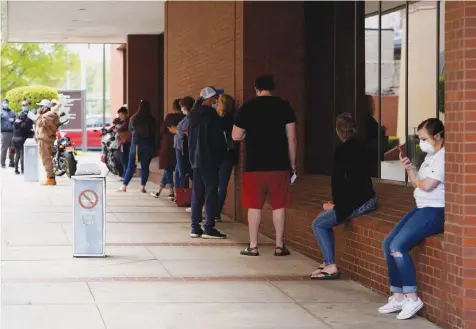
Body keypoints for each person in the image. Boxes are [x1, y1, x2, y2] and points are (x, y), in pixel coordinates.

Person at [378, 118, 445, 320]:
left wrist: (417, 180)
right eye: (419, 139)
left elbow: (427, 185)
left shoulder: (444, 157)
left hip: (434, 211)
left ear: (438, 136)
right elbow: (418, 181)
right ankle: (398, 295)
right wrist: (409, 168)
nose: (421, 143)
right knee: (388, 243)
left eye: (424, 138)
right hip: (421, 208)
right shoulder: (430, 157)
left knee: (398, 246)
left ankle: (412, 297)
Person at [232, 75, 296, 256]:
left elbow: (235, 136)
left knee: (254, 206)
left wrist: (249, 135)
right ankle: (279, 246)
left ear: (256, 88)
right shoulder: (284, 106)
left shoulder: (248, 107)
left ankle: (253, 246)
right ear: (273, 88)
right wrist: (292, 163)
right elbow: (292, 137)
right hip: (279, 164)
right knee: (279, 205)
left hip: (254, 166)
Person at [310, 113, 377, 280]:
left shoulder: (341, 151)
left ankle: (331, 265)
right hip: (367, 198)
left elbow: (340, 183)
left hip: (358, 202)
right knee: (322, 219)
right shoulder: (362, 147)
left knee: (318, 224)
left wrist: (336, 206)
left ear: (338, 131)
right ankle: (327, 261)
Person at [188, 86, 227, 239]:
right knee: (211, 193)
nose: (218, 101)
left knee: (197, 193)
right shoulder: (211, 115)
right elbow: (218, 137)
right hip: (209, 159)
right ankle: (209, 227)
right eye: (216, 98)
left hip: (195, 160)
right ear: (210, 99)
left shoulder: (193, 114)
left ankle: (195, 227)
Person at [118, 100, 157, 193]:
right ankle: (142, 187)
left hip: (136, 145)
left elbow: (130, 129)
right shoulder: (152, 120)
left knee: (131, 166)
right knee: (145, 166)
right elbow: (155, 133)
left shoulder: (134, 118)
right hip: (148, 146)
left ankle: (124, 186)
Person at [151, 99, 184, 199]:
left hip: (168, 144)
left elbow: (162, 130)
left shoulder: (170, 116)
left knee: (168, 167)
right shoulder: (185, 118)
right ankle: (159, 191)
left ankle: (171, 191)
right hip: (179, 145)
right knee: (168, 168)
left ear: (174, 107)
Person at [215, 94, 239, 221]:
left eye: (218, 101)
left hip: (218, 155)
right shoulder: (234, 118)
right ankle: (216, 212)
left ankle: (213, 211)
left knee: (215, 184)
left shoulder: (217, 120)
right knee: (222, 184)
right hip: (229, 155)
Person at [168, 96, 194, 189]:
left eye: (182, 107)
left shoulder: (191, 118)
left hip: (183, 147)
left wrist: (176, 130)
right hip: (179, 146)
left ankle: (183, 192)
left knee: (182, 172)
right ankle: (179, 193)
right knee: (178, 171)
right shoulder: (187, 118)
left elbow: (187, 132)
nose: (181, 109)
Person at [35, 99, 60, 186]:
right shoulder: (50, 115)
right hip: (47, 139)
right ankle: (50, 178)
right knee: (47, 159)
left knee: (46, 160)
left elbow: (39, 123)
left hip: (44, 140)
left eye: (41, 106)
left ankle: (50, 179)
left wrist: (38, 114)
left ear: (45, 107)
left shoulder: (48, 115)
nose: (39, 108)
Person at [115, 106, 131, 180]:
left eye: (121, 114)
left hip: (125, 141)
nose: (120, 116)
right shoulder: (124, 120)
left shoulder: (127, 120)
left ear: (125, 113)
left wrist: (118, 129)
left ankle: (125, 175)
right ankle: (125, 174)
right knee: (123, 158)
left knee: (124, 159)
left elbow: (123, 128)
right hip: (124, 141)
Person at [1, 98, 16, 169]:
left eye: (6, 102)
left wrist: (14, 120)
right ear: (2, 104)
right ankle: (2, 163)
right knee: (4, 149)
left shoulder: (12, 112)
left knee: (12, 148)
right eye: (4, 103)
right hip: (4, 132)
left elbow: (16, 120)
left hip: (12, 132)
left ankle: (11, 162)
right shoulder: (1, 112)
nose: (5, 104)